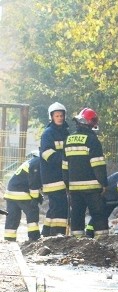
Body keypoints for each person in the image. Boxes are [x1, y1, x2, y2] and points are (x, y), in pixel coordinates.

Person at [62, 108, 109, 238]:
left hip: (74, 188)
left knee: (76, 215)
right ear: (89, 122)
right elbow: (98, 165)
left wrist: (68, 186)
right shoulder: (92, 140)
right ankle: (101, 241)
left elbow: (65, 167)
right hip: (92, 188)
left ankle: (78, 243)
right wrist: (104, 184)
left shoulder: (68, 140)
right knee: (98, 214)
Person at [39, 102, 70, 236]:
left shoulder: (66, 132)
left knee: (54, 206)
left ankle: (46, 233)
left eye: (61, 115)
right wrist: (65, 161)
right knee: (60, 206)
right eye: (57, 116)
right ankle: (58, 234)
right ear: (51, 117)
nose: (60, 118)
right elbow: (46, 153)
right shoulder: (48, 133)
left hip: (61, 176)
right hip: (52, 177)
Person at [3, 151, 43, 241]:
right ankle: (34, 237)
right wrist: (36, 197)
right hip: (22, 193)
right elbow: (34, 183)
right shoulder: (37, 163)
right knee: (32, 213)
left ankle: (9, 239)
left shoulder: (31, 162)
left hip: (10, 193)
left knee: (12, 217)